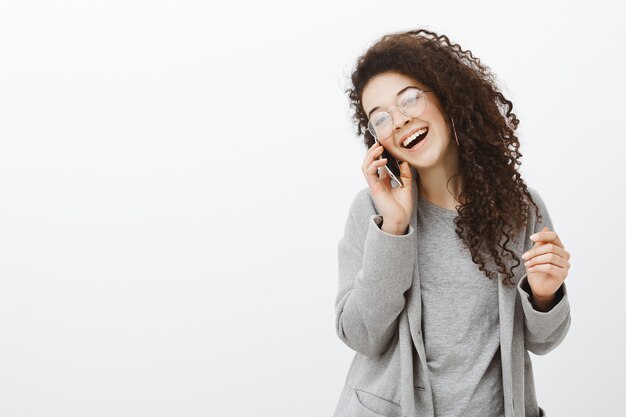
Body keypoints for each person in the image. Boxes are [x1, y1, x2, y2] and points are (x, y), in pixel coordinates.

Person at [333, 29, 571, 417]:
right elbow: (361, 335)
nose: (399, 120)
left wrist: (545, 296)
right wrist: (394, 228)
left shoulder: (518, 207)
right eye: (380, 118)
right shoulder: (371, 212)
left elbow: (543, 342)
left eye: (409, 98)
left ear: (447, 96)